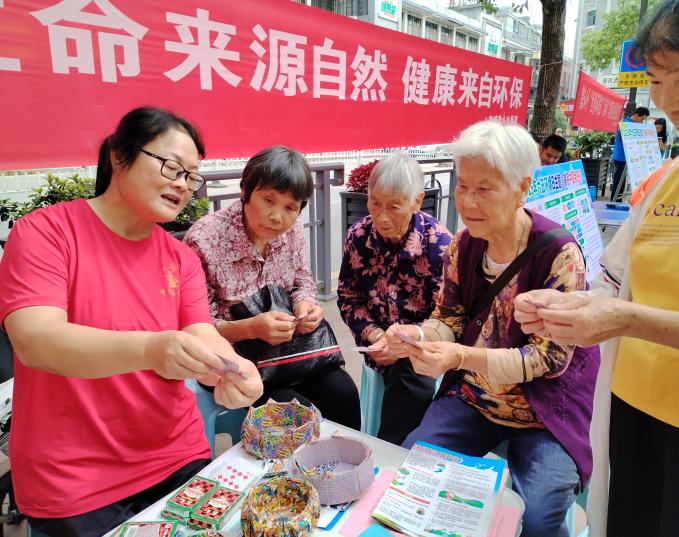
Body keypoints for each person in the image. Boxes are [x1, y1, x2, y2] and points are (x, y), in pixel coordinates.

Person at [0, 107, 263, 536]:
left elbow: (200, 332)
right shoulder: (47, 233)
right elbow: (36, 340)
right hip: (73, 480)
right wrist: (150, 349)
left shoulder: (180, 257)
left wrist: (233, 370)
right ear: (119, 157)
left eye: (191, 176)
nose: (183, 184)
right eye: (172, 168)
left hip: (175, 455)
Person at [514, 3, 679, 536]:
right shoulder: (672, 176)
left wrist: (625, 319)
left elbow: (624, 309)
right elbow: (615, 278)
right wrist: (568, 305)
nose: (666, 101)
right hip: (630, 410)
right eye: (656, 81)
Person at [387, 121, 599, 537]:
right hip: (475, 398)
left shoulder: (559, 254)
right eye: (463, 186)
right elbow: (449, 318)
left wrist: (461, 356)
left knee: (539, 517)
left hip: (543, 414)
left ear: (521, 189)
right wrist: (419, 337)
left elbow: (548, 359)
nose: (468, 201)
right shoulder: (463, 246)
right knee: (413, 471)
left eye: (484, 189)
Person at [184, 145, 361, 429]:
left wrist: (305, 304)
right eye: (268, 200)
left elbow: (302, 280)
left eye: (290, 207)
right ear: (245, 191)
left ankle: (346, 456)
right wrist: (251, 328)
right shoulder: (204, 239)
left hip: (290, 351)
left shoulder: (291, 230)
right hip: (236, 361)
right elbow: (197, 325)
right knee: (292, 413)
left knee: (344, 394)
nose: (278, 217)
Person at [336, 153, 453, 445]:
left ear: (417, 201)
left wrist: (406, 342)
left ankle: (390, 450)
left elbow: (447, 314)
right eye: (375, 203)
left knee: (412, 379)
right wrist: (375, 335)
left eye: (394, 206)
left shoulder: (439, 244)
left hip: (420, 347)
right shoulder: (358, 236)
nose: (381, 217)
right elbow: (348, 296)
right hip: (376, 345)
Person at [610, 106, 650, 201]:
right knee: (618, 181)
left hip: (627, 157)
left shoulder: (632, 125)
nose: (642, 122)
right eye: (641, 119)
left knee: (621, 181)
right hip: (621, 157)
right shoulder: (626, 124)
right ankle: (614, 201)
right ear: (636, 115)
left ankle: (617, 201)